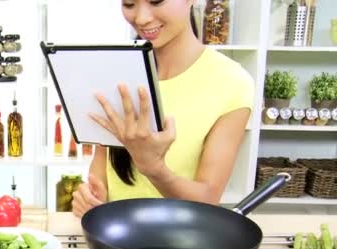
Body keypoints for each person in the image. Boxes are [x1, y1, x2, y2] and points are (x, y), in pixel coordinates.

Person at [71, 0, 254, 218]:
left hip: (180, 240)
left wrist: (154, 168)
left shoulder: (232, 81)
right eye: (129, 4)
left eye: (156, 1)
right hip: (113, 234)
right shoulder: (116, 68)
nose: (141, 18)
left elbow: (208, 200)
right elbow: (101, 165)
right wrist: (91, 195)